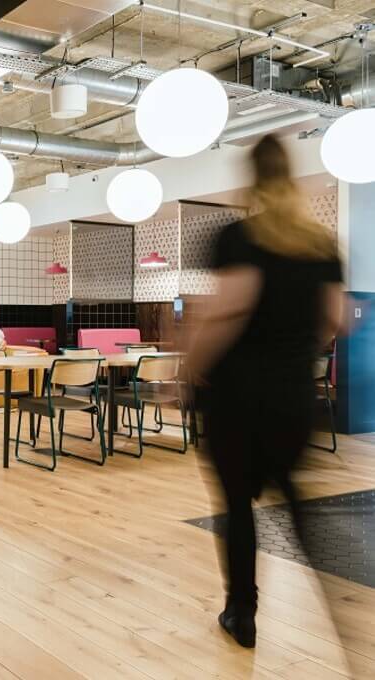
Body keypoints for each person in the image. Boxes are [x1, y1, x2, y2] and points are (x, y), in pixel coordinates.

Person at [188, 135, 349, 655]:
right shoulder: (321, 245)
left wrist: (187, 368)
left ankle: (243, 612)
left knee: (238, 507)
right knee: (293, 495)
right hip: (294, 397)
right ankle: (339, 599)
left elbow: (228, 308)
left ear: (252, 178)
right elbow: (337, 319)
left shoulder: (238, 236)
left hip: (238, 397)